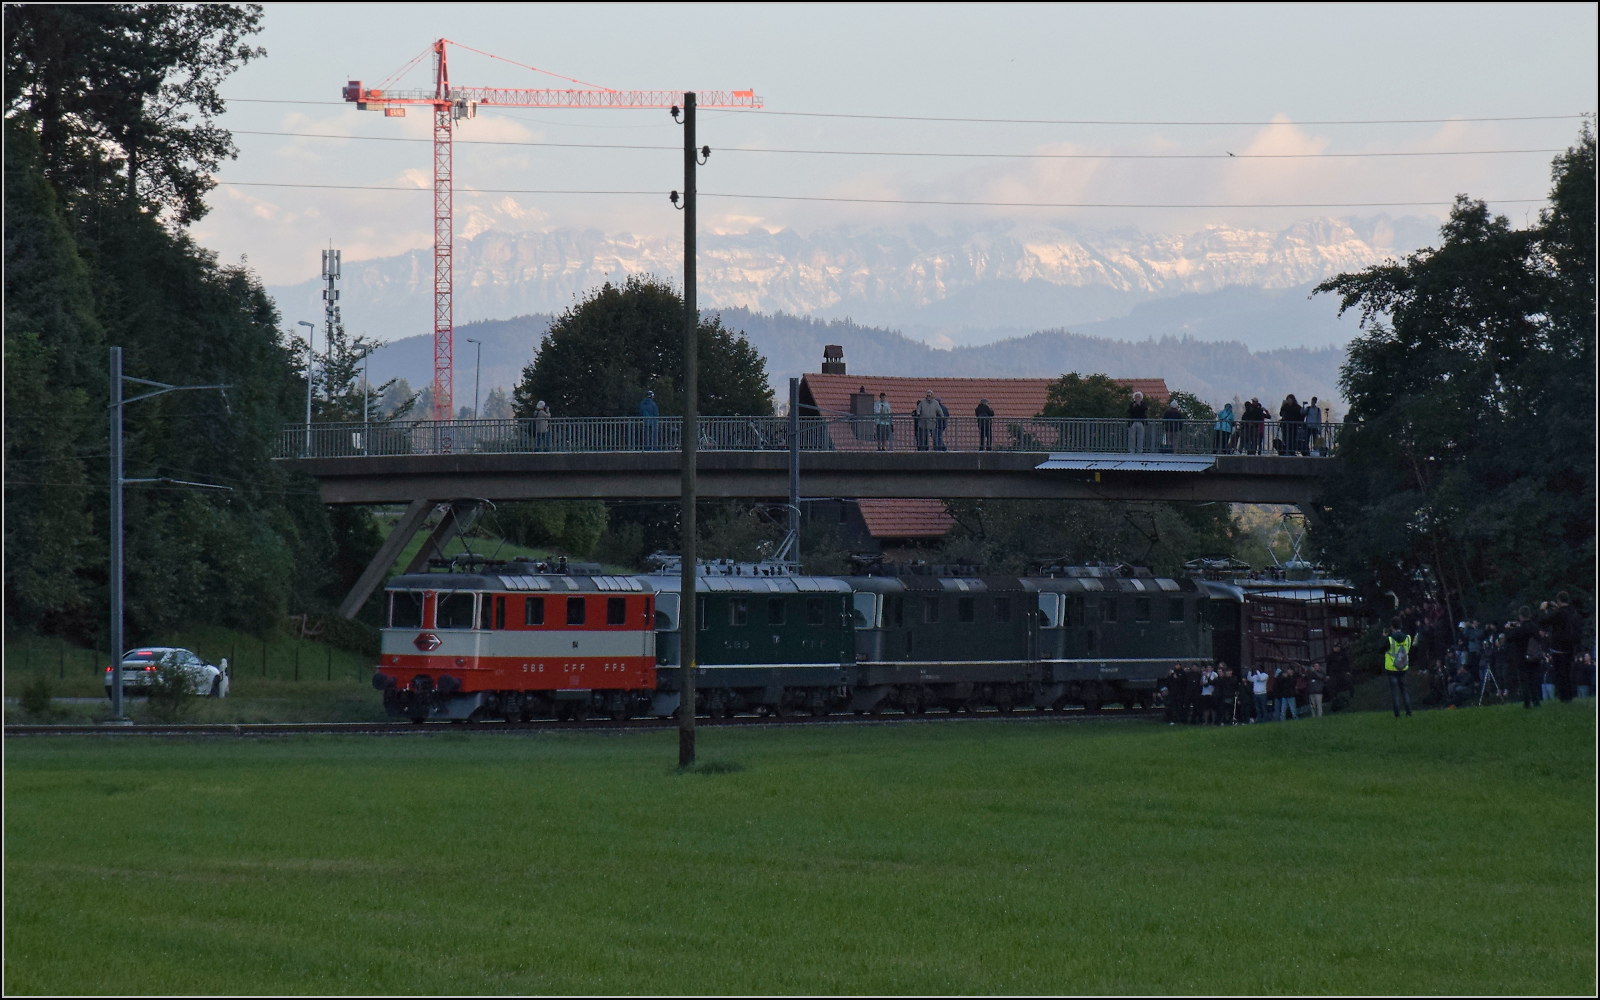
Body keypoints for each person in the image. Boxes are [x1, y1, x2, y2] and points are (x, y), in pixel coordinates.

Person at [1544, 592, 1583, 702]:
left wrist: (1544, 611)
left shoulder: (1559, 614)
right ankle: (1569, 696)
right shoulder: (1573, 612)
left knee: (1560, 674)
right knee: (1567, 673)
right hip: (1570, 647)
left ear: (1559, 600)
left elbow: (1546, 621)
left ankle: (1563, 697)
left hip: (1558, 647)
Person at [1509, 607, 1543, 708]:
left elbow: (1510, 639)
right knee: (1533, 680)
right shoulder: (1535, 627)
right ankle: (1536, 701)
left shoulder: (1519, 629)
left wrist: (1509, 628)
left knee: (1524, 681)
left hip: (1521, 657)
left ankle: (1527, 702)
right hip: (1533, 657)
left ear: (1520, 617)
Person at [1384, 616, 1415, 717]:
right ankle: (1408, 712)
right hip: (1403, 667)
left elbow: (1381, 649)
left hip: (1391, 668)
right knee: (1404, 691)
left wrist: (1384, 637)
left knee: (1395, 693)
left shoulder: (1389, 639)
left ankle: (1397, 714)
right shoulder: (1408, 638)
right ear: (1401, 625)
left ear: (1391, 626)